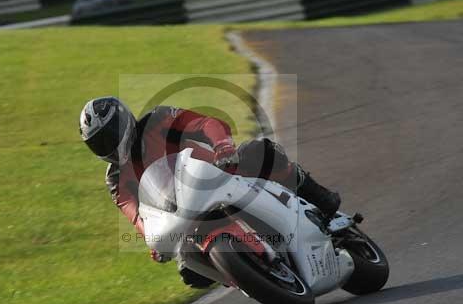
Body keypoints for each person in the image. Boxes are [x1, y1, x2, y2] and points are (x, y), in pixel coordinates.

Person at [78, 96, 341, 288]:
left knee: (261, 152)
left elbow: (205, 123)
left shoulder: (157, 120)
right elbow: (135, 215)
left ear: (124, 120)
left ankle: (319, 197)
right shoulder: (116, 178)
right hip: (183, 215)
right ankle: (250, 274)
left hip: (220, 173)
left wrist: (223, 147)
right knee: (189, 271)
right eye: (99, 143)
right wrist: (152, 241)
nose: (108, 144)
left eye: (110, 134)